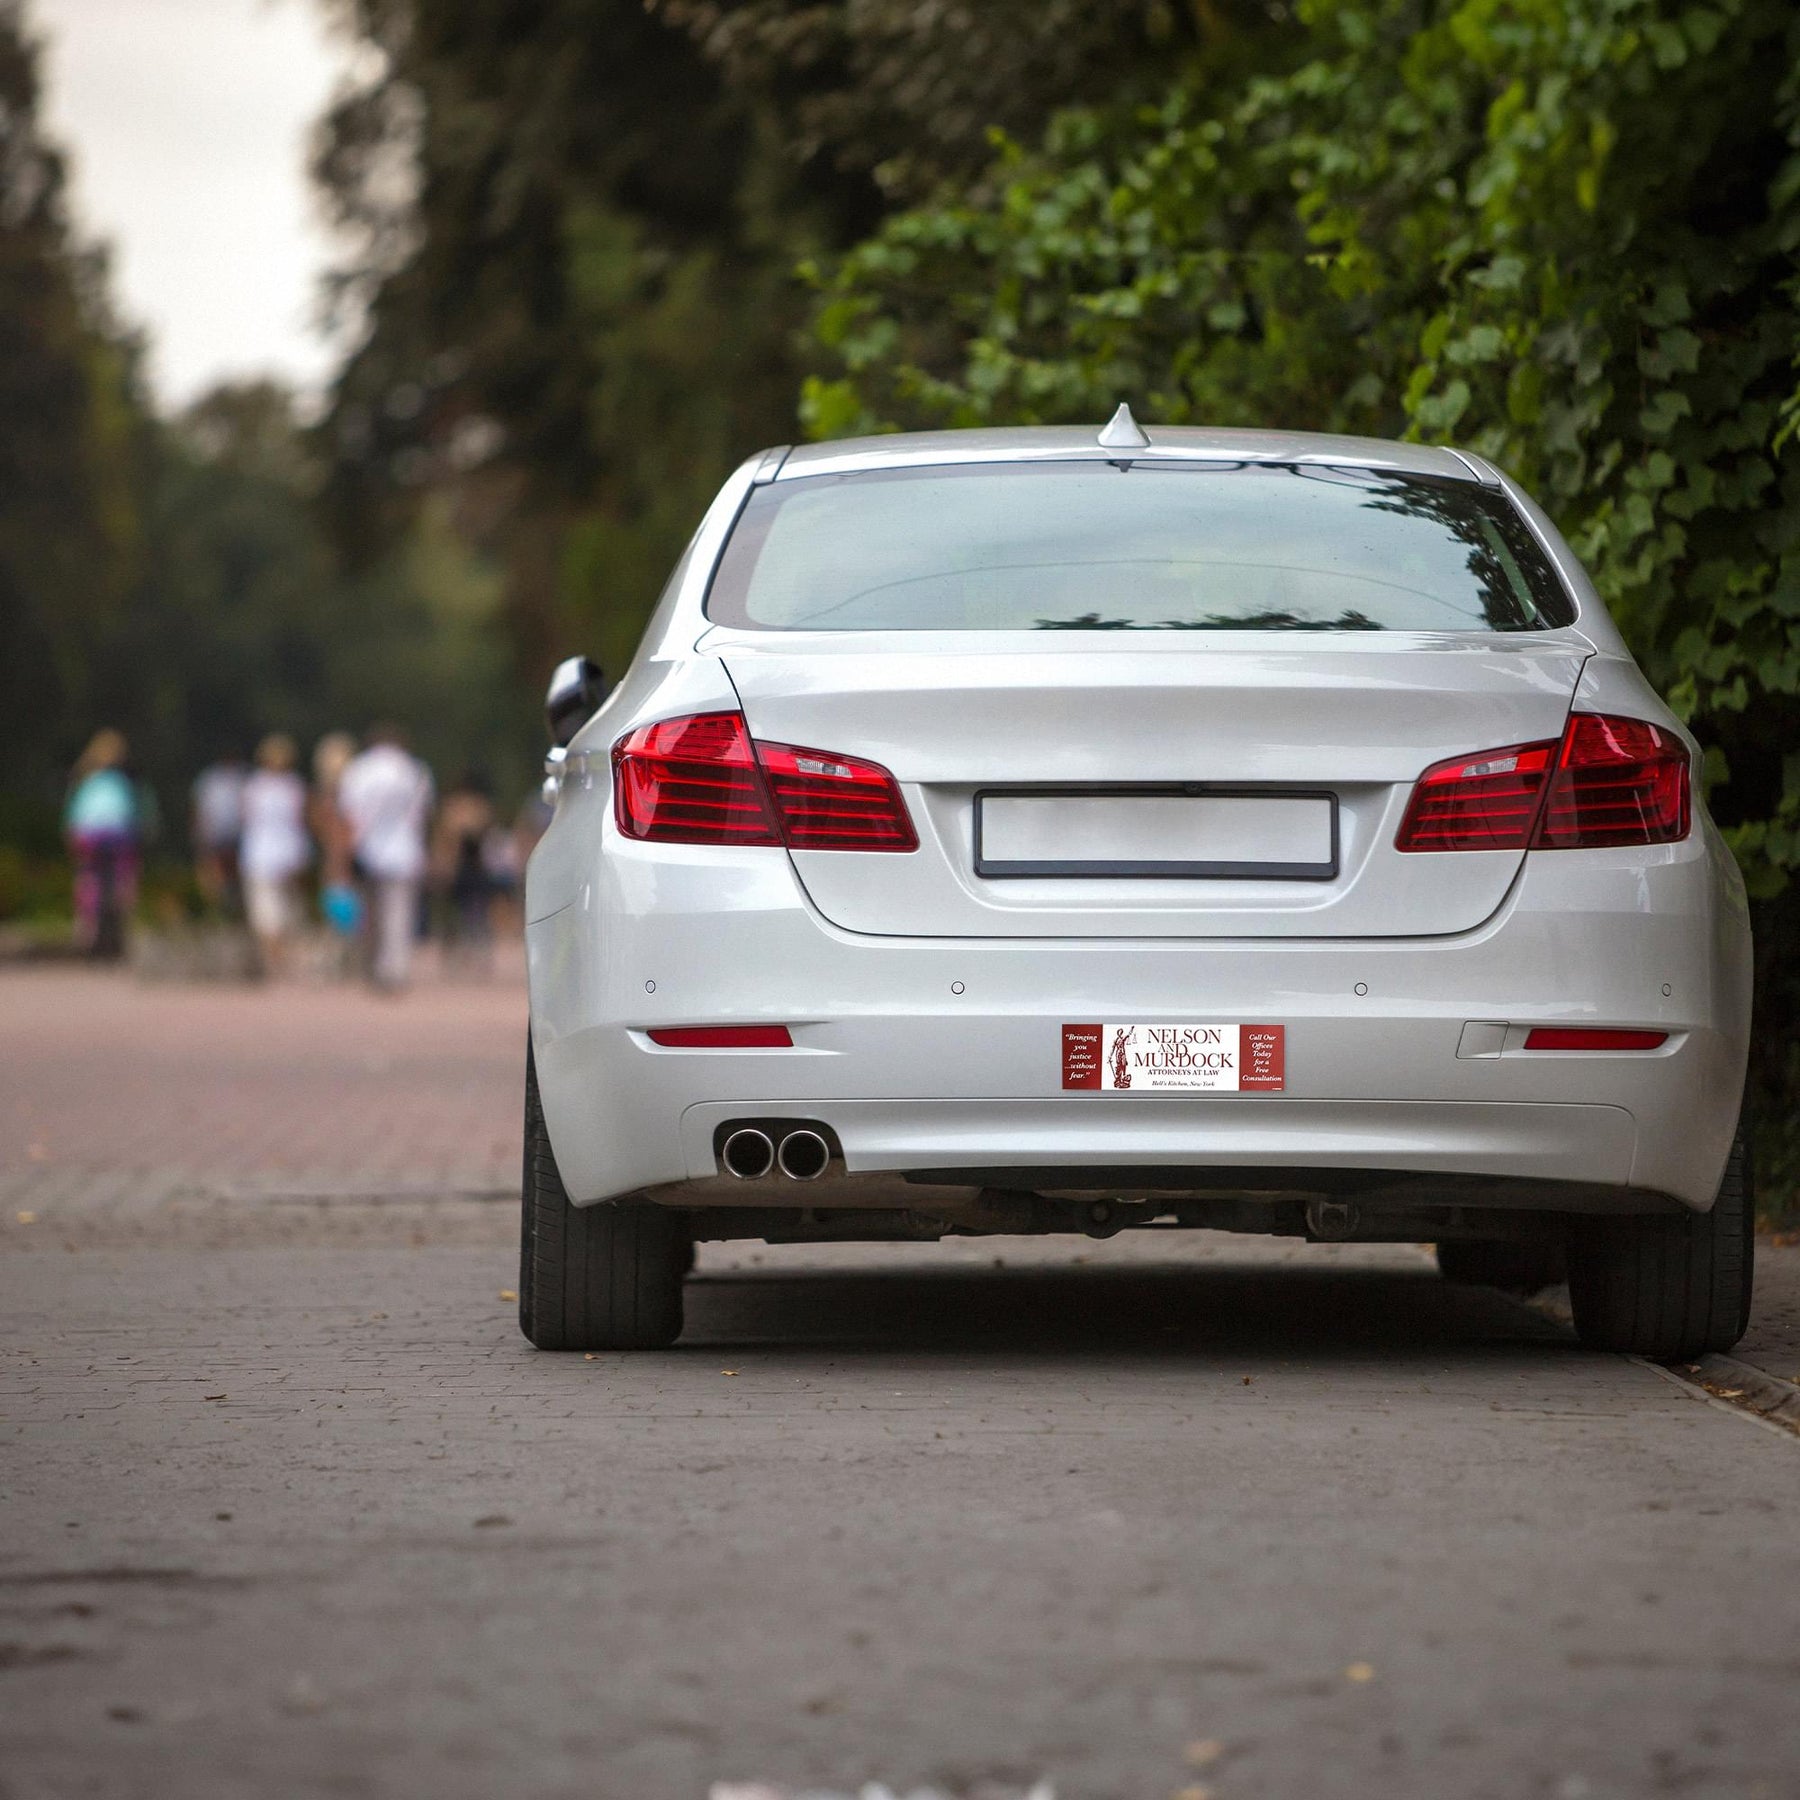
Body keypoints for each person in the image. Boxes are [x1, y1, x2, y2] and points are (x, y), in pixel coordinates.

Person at [339, 724, 434, 990]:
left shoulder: (359, 770)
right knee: (399, 913)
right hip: (404, 850)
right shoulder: (414, 770)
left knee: (369, 914)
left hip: (368, 850)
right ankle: (395, 968)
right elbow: (421, 816)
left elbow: (350, 814)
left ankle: (372, 964)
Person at [63, 729, 143, 959]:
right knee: (121, 881)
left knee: (90, 879)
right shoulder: (125, 780)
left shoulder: (85, 778)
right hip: (118, 835)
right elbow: (136, 814)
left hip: (90, 836)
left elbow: (73, 816)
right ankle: (120, 927)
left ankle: (87, 928)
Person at [239, 734, 312, 977]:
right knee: (280, 908)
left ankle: (275, 955)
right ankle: (278, 955)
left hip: (265, 853)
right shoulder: (293, 786)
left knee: (269, 910)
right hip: (283, 851)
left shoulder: (255, 786)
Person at [431, 769, 497, 969]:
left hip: (470, 866)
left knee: (469, 911)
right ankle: (466, 951)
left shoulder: (461, 809)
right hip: (466, 867)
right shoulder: (474, 808)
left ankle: (471, 950)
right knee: (468, 912)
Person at [190, 752, 248, 916]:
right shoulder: (210, 779)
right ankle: (222, 904)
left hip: (235, 832)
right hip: (217, 832)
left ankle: (234, 904)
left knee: (234, 870)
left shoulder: (240, 777)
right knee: (216, 871)